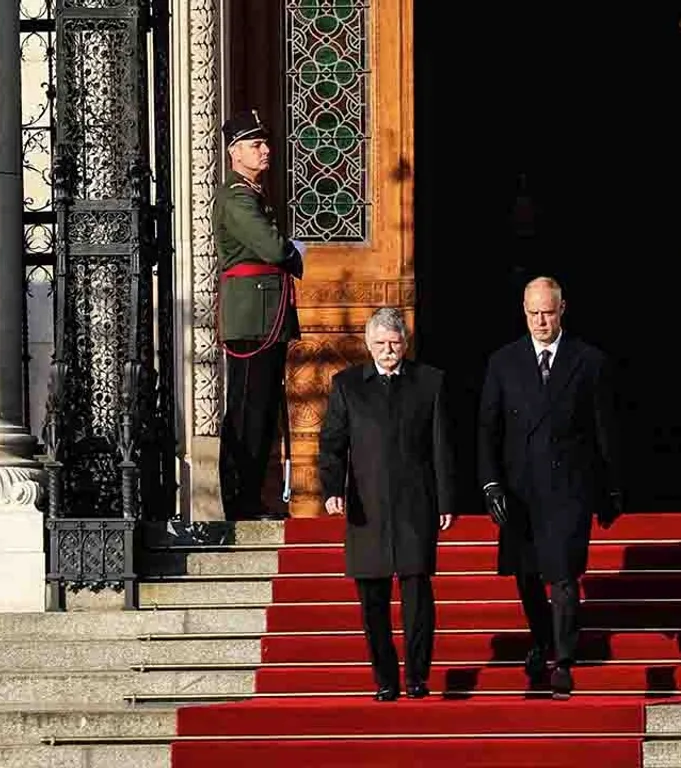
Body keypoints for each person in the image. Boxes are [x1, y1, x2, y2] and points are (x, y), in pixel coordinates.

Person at [477, 276, 623, 700]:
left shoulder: (588, 361)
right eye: (533, 313)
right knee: (526, 576)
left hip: (569, 488)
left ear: (562, 310)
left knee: (562, 576)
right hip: (520, 489)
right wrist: (490, 485)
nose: (541, 321)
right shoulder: (503, 363)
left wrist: (612, 490)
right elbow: (488, 429)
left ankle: (563, 659)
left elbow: (605, 431)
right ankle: (541, 642)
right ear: (523, 311)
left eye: (548, 312)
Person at [318, 307, 456, 701]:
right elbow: (332, 444)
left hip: (416, 505)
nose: (387, 350)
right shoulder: (347, 385)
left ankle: (416, 676)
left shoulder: (430, 382)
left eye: (394, 342)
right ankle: (385, 679)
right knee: (373, 602)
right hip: (368, 508)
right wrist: (332, 489)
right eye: (379, 343)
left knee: (417, 597)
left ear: (405, 343)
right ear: (368, 344)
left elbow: (441, 447)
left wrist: (446, 499)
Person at [214, 109, 306, 521]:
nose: (265, 150)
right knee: (248, 410)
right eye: (255, 144)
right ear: (234, 153)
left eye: (265, 143)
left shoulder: (251, 194)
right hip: (253, 319)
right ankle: (241, 500)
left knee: (262, 409)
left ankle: (252, 496)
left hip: (264, 317)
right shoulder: (236, 196)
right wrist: (293, 252)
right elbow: (270, 248)